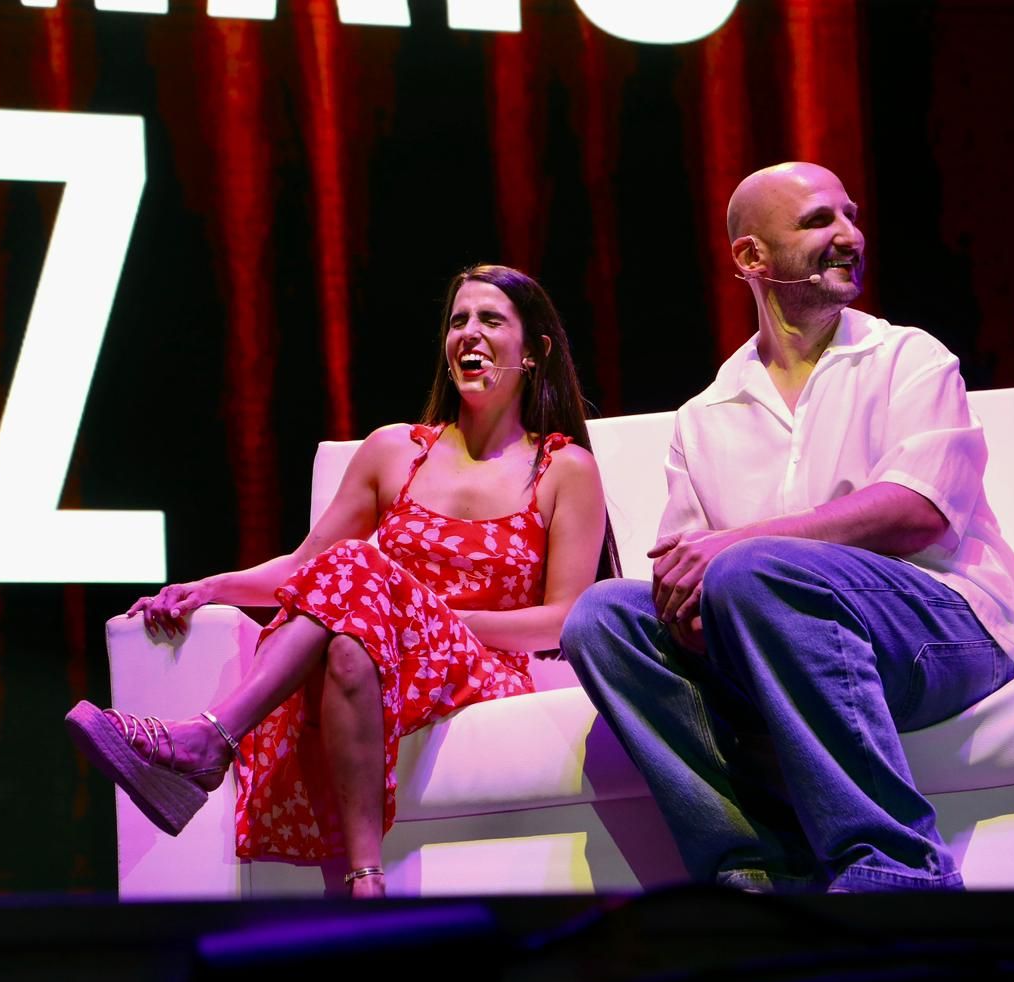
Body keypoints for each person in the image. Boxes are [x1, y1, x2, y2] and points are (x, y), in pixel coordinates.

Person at [560, 162, 1014, 893]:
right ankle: (751, 870)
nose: (850, 236)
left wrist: (742, 549)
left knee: (757, 567)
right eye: (820, 221)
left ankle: (894, 867)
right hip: (783, 645)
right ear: (751, 258)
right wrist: (695, 605)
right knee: (603, 619)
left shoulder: (908, 357)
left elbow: (919, 512)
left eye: (851, 215)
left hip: (943, 631)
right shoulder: (705, 413)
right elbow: (683, 574)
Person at [68, 264, 615, 898]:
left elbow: (563, 618)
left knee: (362, 576)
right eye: (458, 320)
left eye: (491, 320)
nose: (469, 333)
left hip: (483, 669)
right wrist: (211, 587)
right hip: (382, 651)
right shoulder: (393, 451)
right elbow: (307, 566)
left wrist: (419, 617)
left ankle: (209, 738)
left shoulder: (563, 468)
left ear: (535, 350)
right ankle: (364, 881)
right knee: (350, 644)